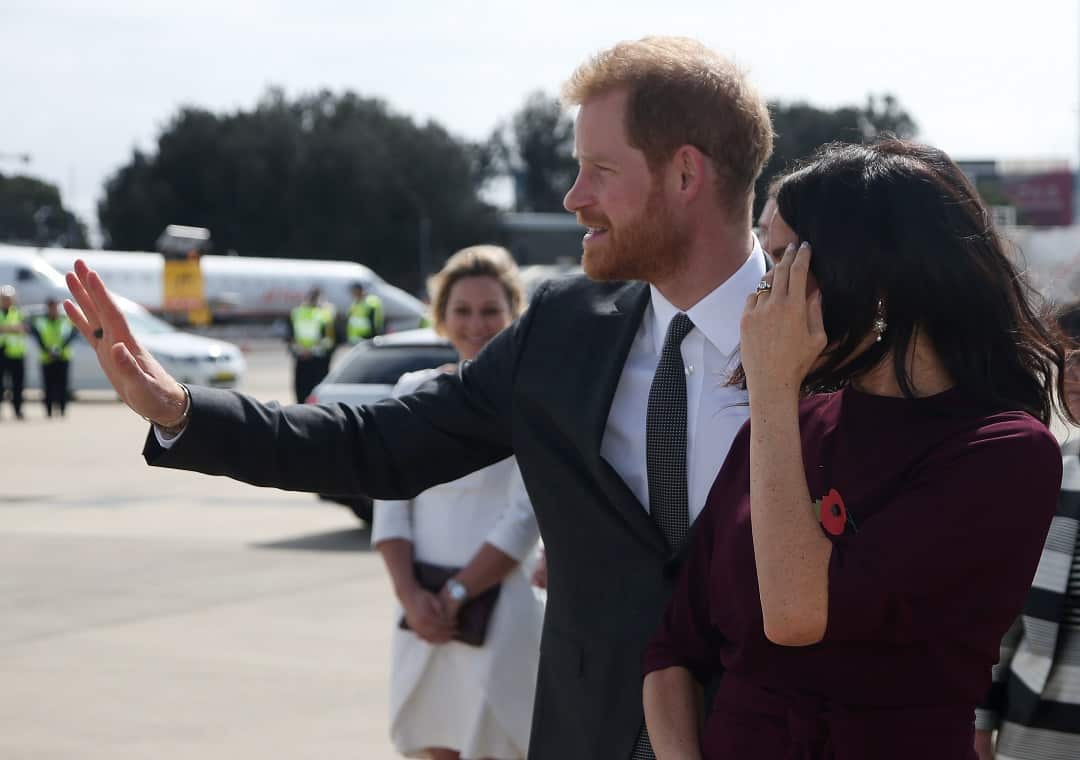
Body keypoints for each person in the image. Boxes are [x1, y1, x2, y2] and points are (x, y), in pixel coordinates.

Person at [63, 36, 774, 759]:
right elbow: (376, 444)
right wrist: (182, 410)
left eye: (599, 170)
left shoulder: (836, 344)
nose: (573, 197)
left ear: (686, 173)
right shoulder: (562, 333)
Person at [641, 140, 1071, 759]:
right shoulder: (784, 426)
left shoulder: (1004, 452)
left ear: (872, 275)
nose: (765, 289)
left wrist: (770, 388)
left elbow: (795, 615)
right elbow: (674, 649)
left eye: (787, 259)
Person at [372, 245, 543, 760]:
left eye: (490, 310)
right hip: (421, 615)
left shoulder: (534, 400)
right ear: (441, 315)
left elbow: (523, 516)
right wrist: (410, 596)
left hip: (497, 613)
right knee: (429, 744)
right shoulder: (412, 390)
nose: (476, 323)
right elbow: (391, 500)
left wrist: (457, 594)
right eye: (462, 310)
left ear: (514, 314)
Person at [973, 304, 1080, 760]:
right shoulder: (1051, 469)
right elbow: (1002, 614)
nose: (1072, 373)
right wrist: (979, 722)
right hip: (1032, 732)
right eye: (1067, 356)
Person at [286, 286, 334, 402]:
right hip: (310, 357)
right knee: (305, 390)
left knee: (307, 390)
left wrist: (303, 351)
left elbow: (328, 340)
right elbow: (290, 336)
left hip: (310, 357)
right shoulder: (324, 313)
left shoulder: (298, 312)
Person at [30, 297, 76, 418]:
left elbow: (72, 335)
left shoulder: (65, 320)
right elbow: (37, 336)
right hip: (46, 357)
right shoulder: (40, 321)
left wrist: (60, 349)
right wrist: (47, 350)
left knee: (63, 385)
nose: (53, 310)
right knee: (48, 385)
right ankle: (49, 411)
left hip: (63, 357)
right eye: (51, 307)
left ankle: (62, 410)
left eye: (55, 307)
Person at [0, 284, 27, 420]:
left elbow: (23, 329)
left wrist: (5, 328)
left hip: (16, 354)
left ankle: (18, 410)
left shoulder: (18, 313)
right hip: (1, 353)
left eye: (9, 298)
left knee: (17, 385)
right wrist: (12, 328)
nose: (6, 301)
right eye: (4, 298)